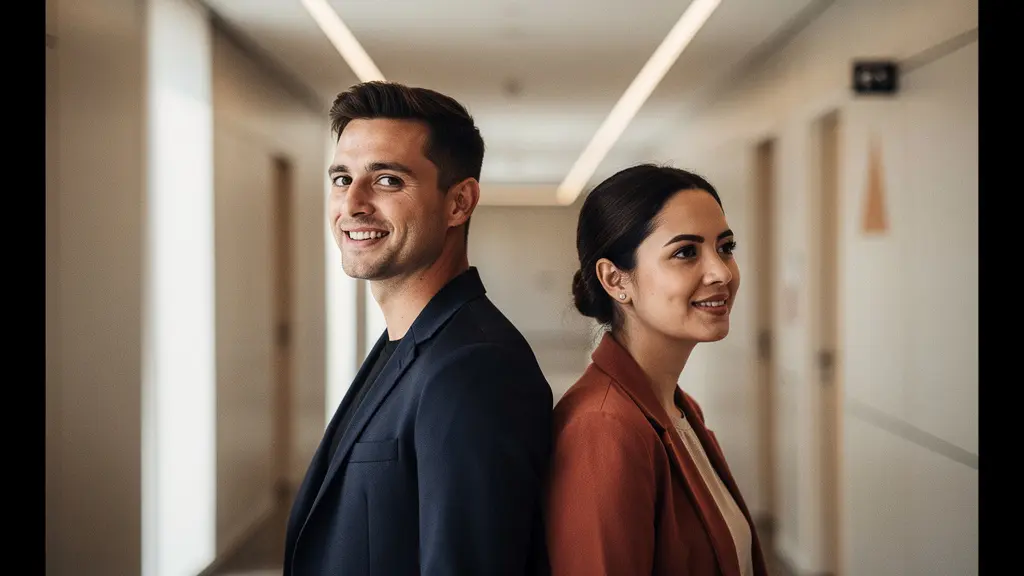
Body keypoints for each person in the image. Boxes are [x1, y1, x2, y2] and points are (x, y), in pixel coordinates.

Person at [284, 81, 553, 576]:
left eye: (387, 180)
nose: (353, 204)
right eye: (342, 178)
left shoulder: (474, 368)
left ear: (459, 202)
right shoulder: (407, 345)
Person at [546, 164, 768, 576]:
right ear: (616, 280)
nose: (721, 272)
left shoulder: (681, 411)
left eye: (726, 246)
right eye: (686, 252)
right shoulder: (604, 428)